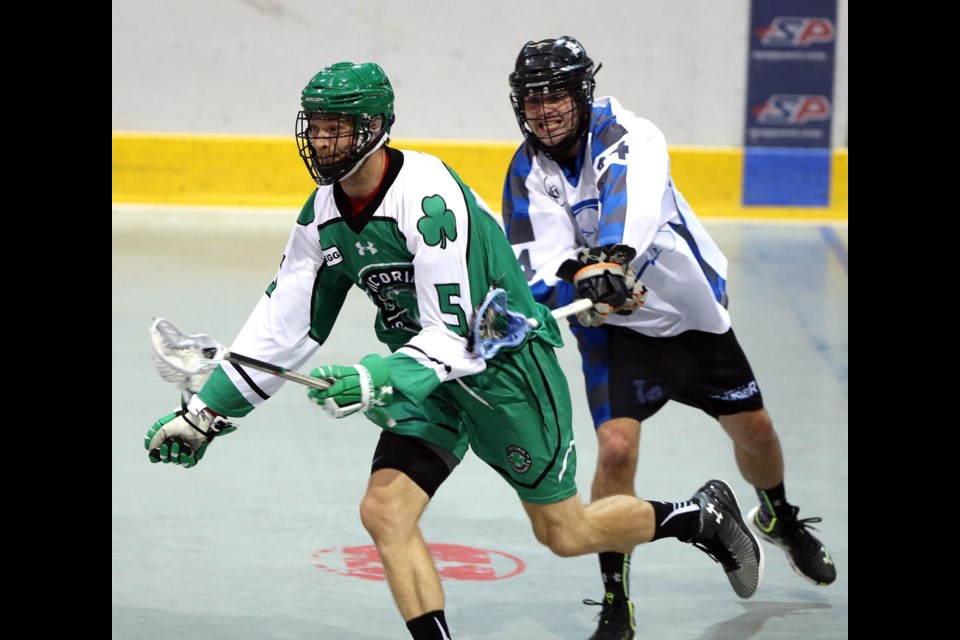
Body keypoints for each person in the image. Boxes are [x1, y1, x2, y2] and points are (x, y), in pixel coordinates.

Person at [143, 60, 764, 640]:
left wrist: (373, 376)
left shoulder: (429, 196)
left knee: (565, 532)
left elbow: (459, 331)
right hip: (423, 381)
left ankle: (698, 517)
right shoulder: (322, 217)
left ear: (377, 128)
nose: (325, 143)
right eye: (319, 128)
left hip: (502, 373)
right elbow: (282, 328)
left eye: (340, 129)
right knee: (385, 511)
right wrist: (206, 416)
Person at [500, 36, 837, 640]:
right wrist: (579, 284)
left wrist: (608, 258)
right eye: (532, 99)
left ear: (582, 94)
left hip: (689, 315)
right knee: (617, 452)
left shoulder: (631, 134)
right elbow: (535, 265)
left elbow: (632, 199)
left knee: (756, 430)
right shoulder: (527, 170)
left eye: (555, 96)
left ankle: (779, 517)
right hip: (616, 333)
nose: (544, 110)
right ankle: (614, 598)